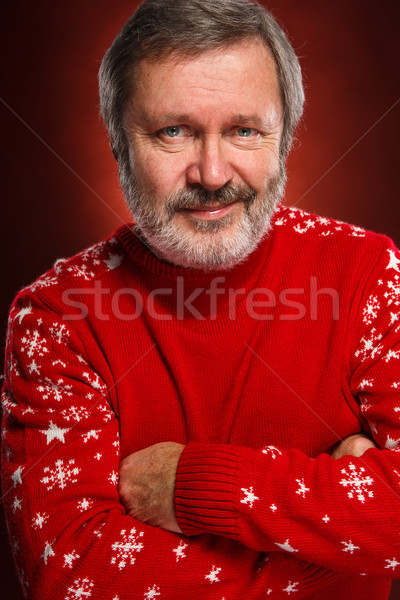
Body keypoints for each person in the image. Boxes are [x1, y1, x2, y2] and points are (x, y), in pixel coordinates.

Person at [2, 0, 400, 598]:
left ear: (284, 137)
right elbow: (71, 575)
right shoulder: (58, 317)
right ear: (117, 143)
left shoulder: (367, 272)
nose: (212, 173)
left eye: (244, 130)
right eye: (173, 132)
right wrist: (343, 554)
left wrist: (195, 487)